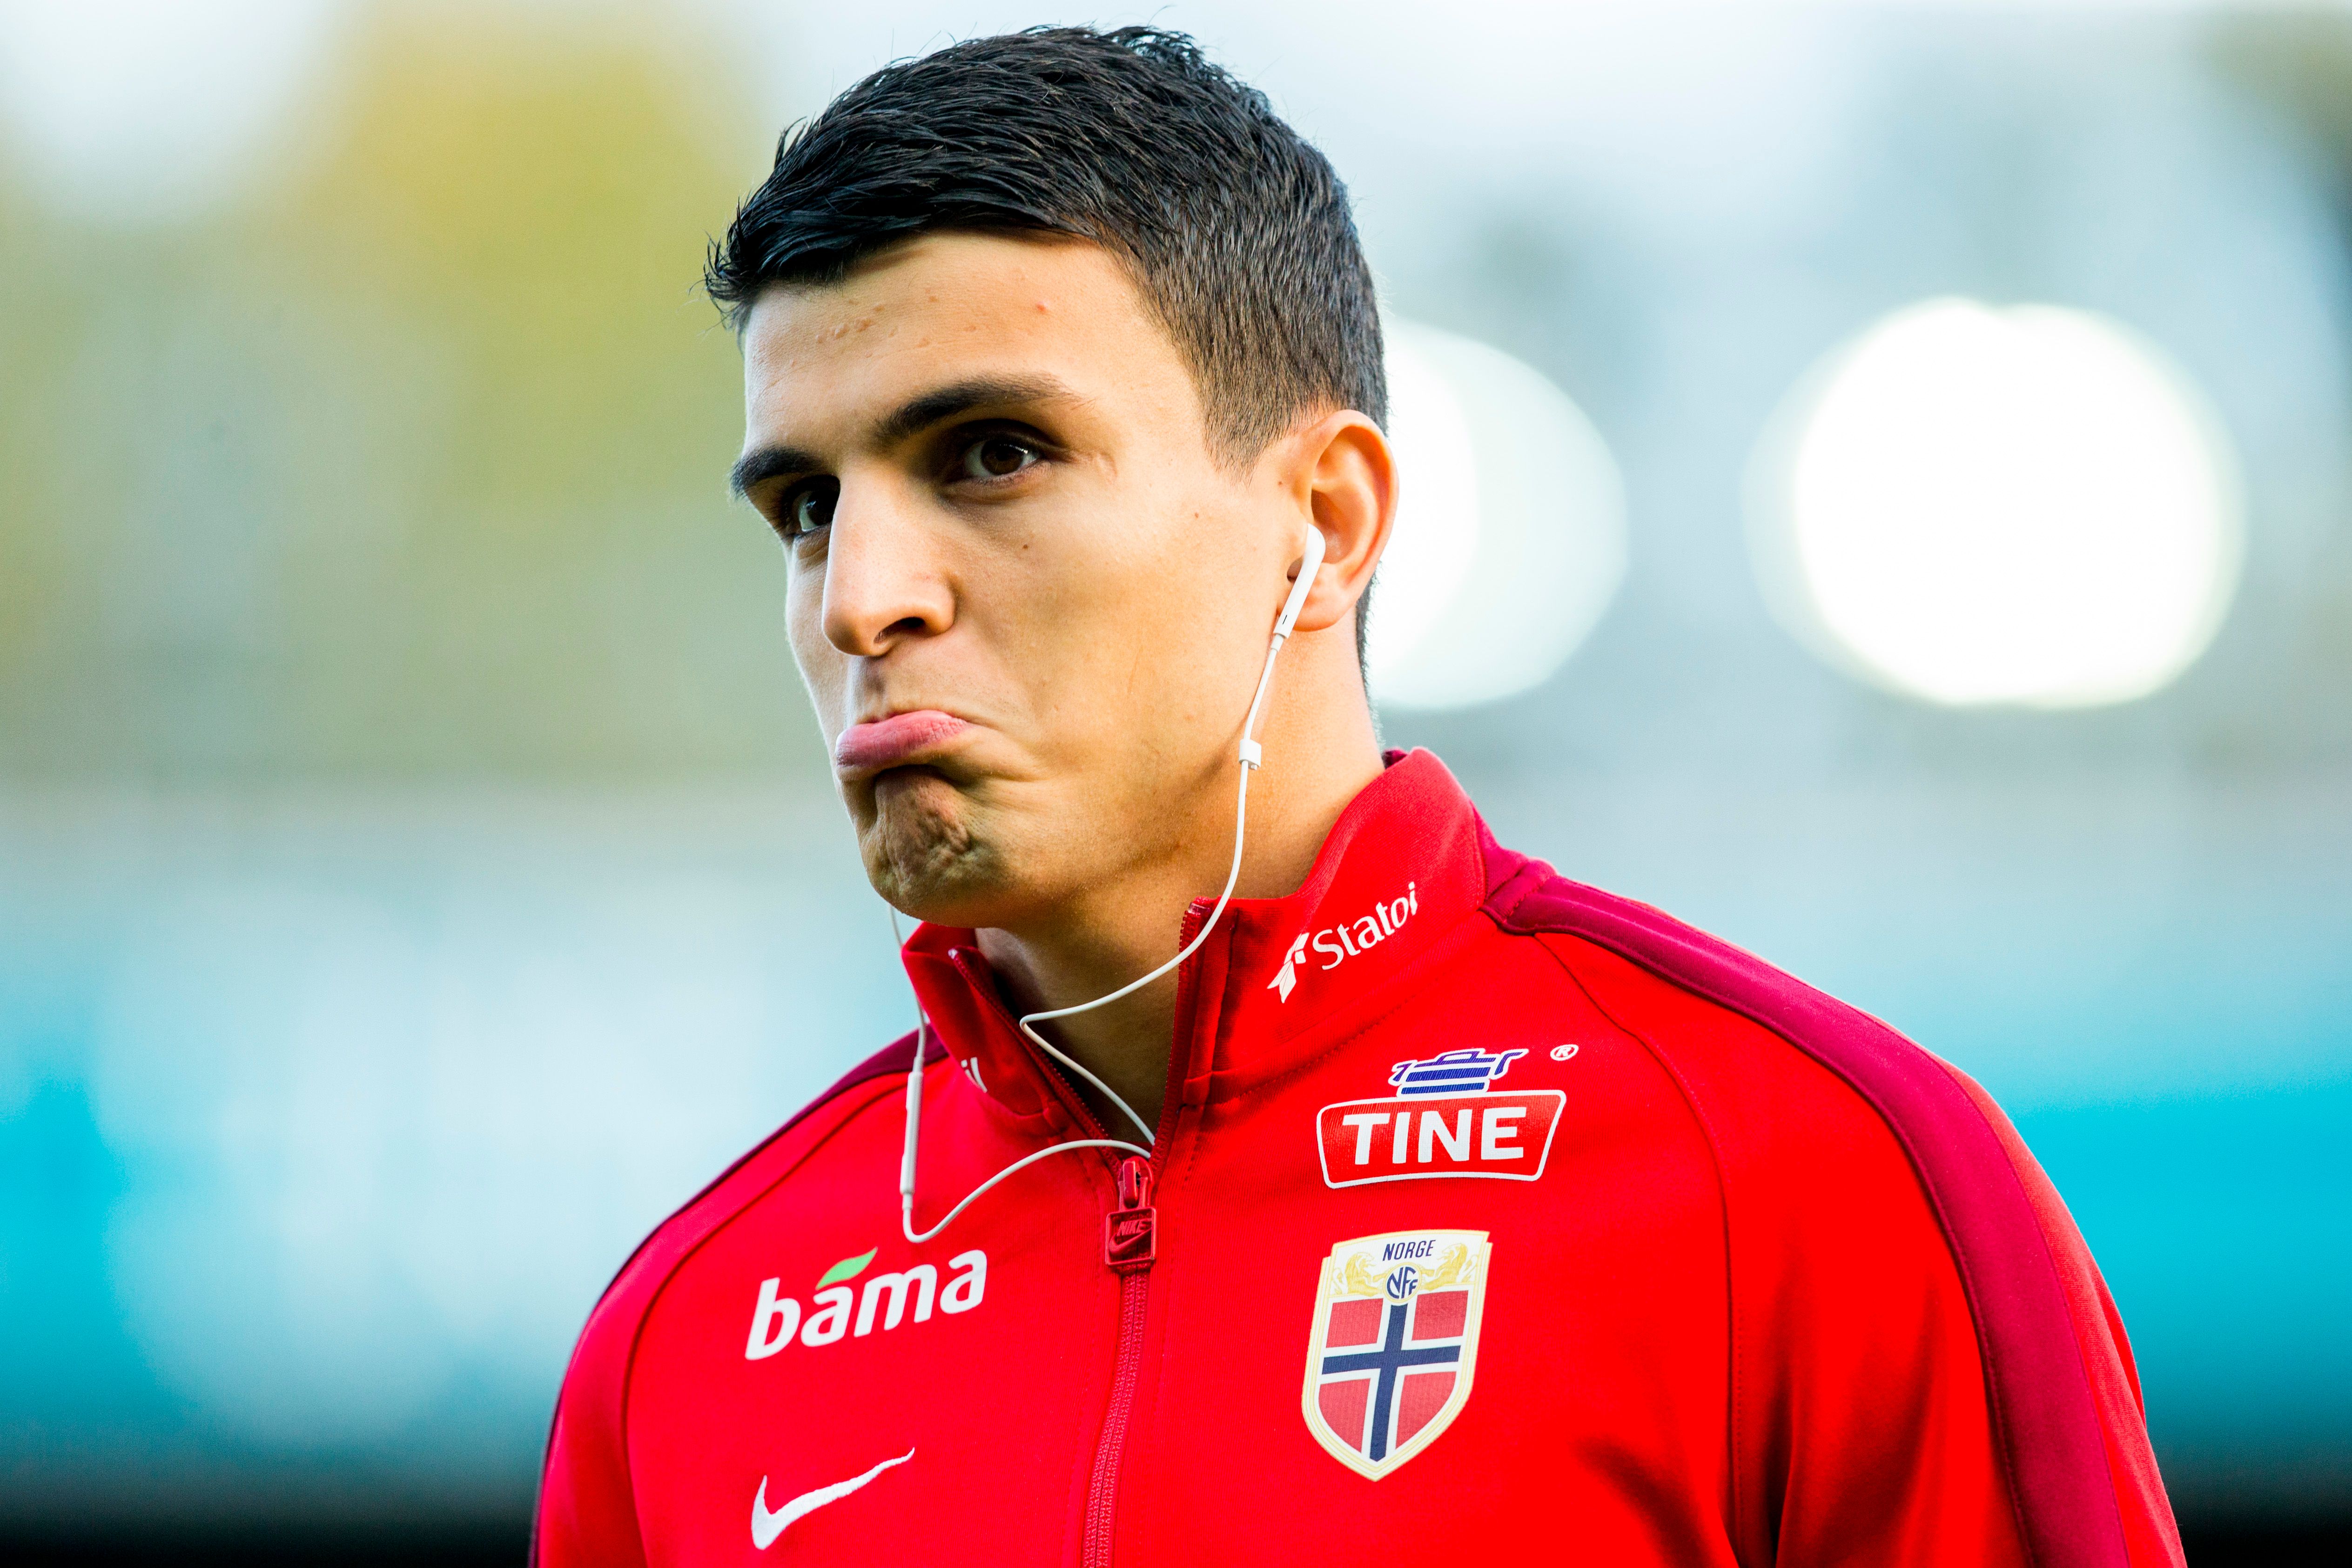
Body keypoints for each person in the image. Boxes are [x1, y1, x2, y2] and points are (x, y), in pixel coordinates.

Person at [535, 26, 2182, 1566]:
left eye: (993, 454)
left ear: (1325, 522)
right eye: (808, 507)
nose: (860, 599)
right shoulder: (688, 1336)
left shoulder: (1814, 1179)